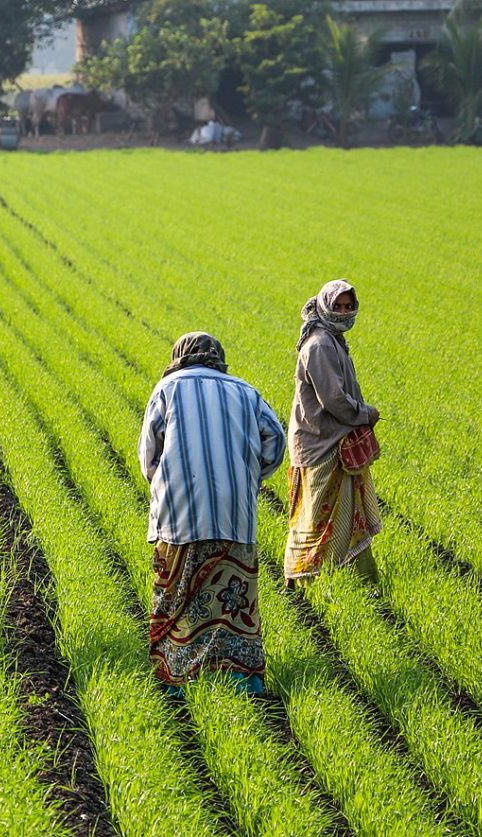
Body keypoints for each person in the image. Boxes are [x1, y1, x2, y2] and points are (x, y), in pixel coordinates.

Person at [139, 332, 286, 697]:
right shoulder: (245, 391)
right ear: (218, 358)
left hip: (180, 513)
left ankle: (176, 679)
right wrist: (247, 476)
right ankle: (241, 679)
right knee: (231, 599)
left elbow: (148, 456)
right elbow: (276, 441)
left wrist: (165, 482)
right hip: (234, 513)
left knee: (178, 594)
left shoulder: (167, 389)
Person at [284, 279, 381, 588]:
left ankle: (359, 581)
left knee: (345, 516)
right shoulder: (321, 344)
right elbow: (334, 400)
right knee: (316, 519)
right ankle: (302, 579)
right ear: (324, 305)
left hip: (331, 441)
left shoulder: (331, 338)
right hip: (321, 444)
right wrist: (366, 413)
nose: (343, 312)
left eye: (348, 306)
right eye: (337, 306)